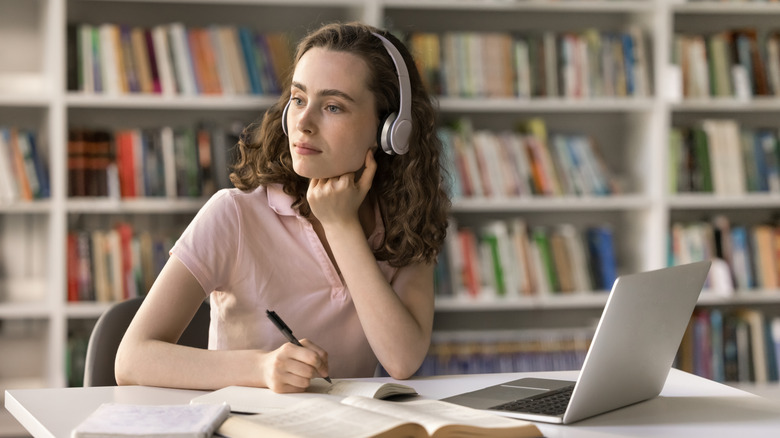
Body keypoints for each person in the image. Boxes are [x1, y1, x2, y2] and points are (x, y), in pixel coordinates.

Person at [115, 22, 450, 393]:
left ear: (389, 129)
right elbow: (132, 358)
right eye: (299, 99)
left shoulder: (404, 221)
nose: (303, 123)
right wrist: (260, 368)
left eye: (334, 106)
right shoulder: (235, 215)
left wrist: (341, 225)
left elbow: (402, 360)